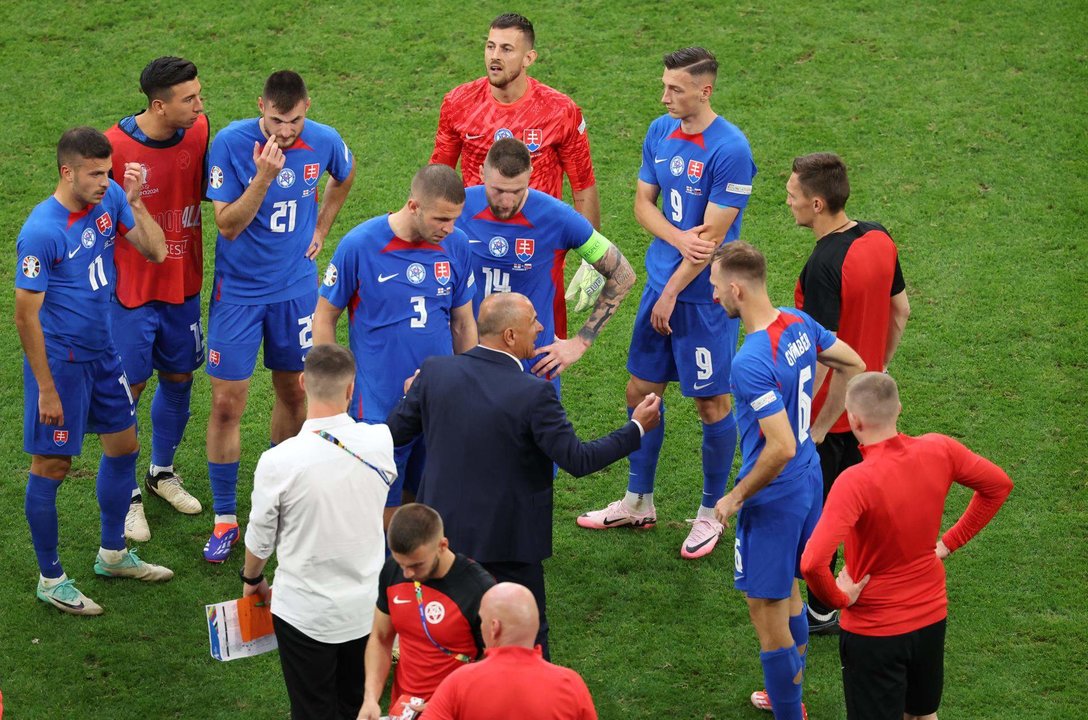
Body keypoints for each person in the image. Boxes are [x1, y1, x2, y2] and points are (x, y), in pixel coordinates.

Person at [386, 292, 661, 658]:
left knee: (450, 640)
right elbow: (578, 460)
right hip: (510, 546)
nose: (542, 327)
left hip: (446, 540)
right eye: (533, 320)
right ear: (511, 336)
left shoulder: (435, 373)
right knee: (526, 642)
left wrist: (412, 396)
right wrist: (636, 429)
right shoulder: (534, 394)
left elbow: (393, 433)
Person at [577, 47, 756, 561]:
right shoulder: (660, 130)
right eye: (664, 86)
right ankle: (639, 500)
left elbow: (714, 238)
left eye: (675, 88)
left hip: (704, 300)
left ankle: (709, 513)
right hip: (662, 286)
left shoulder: (731, 148)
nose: (664, 96)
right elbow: (642, 205)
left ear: (705, 90)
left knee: (710, 403)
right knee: (641, 391)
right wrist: (678, 244)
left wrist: (676, 287)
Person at [15, 127, 174, 616]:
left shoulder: (110, 204)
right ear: (68, 172)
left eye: (107, 172)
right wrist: (45, 387)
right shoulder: (42, 231)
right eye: (95, 174)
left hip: (105, 354)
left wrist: (137, 203)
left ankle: (113, 554)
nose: (105, 181)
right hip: (61, 366)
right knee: (53, 466)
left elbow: (157, 252)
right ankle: (51, 578)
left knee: (125, 446)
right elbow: (24, 314)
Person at [707, 242, 865, 720]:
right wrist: (816, 427)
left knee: (766, 610)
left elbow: (778, 447)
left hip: (774, 496)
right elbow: (854, 362)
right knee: (791, 590)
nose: (714, 298)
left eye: (716, 288)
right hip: (808, 482)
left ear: (736, 288)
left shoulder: (749, 361)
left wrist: (734, 497)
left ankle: (789, 711)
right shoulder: (796, 321)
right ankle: (786, 696)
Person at [203, 70, 356, 563]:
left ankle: (274, 497)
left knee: (294, 391)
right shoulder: (231, 143)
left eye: (292, 122)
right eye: (274, 120)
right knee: (228, 403)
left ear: (306, 108)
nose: (284, 132)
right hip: (240, 295)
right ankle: (226, 516)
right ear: (260, 107)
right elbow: (226, 226)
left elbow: (345, 173)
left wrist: (322, 227)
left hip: (295, 292)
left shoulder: (325, 140)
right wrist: (264, 176)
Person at [800, 373, 1011, 720]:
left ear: (853, 419)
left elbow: (812, 563)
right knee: (923, 715)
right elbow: (998, 486)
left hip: (874, 631)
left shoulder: (854, 481)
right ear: (898, 408)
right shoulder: (940, 449)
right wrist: (947, 544)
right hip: (930, 617)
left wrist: (840, 598)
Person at [787, 152, 912, 633]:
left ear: (818, 203)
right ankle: (874, 579)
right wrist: (878, 368)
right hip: (868, 405)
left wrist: (813, 427)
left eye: (794, 197)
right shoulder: (879, 235)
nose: (789, 203)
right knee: (868, 503)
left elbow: (827, 357)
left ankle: (821, 609)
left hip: (834, 416)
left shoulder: (823, 264)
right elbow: (900, 311)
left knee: (826, 514)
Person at [314, 164, 477, 520]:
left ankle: (416, 574)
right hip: (376, 405)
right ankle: (384, 573)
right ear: (414, 206)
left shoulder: (457, 245)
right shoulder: (360, 244)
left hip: (439, 399)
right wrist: (332, 389)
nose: (449, 229)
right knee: (378, 505)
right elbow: (324, 318)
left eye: (454, 219)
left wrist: (472, 385)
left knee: (428, 501)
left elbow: (463, 322)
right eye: (441, 219)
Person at [241, 344, 394, 720]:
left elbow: (261, 535)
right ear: (350, 389)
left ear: (302, 382)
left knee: (312, 711)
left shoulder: (278, 461)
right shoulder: (380, 442)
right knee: (358, 705)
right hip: (365, 610)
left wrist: (252, 578)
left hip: (304, 614)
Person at [105, 56, 209, 542]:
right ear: (158, 105)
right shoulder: (113, 147)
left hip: (183, 285)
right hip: (130, 293)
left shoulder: (200, 131)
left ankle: (161, 472)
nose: (199, 106)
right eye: (189, 99)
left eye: (199, 96)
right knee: (130, 388)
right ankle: (126, 493)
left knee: (180, 376)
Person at [455, 138, 635, 380]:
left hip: (533, 367)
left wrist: (581, 342)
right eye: (498, 190)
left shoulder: (558, 217)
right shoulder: (457, 208)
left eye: (516, 191)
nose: (507, 202)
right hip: (469, 360)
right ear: (481, 174)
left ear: (531, 174)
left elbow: (623, 274)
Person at [431, 12, 599, 227]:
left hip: (537, 237)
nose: (495, 56)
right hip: (477, 236)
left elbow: (582, 183)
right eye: (491, 46)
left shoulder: (560, 111)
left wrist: (589, 257)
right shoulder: (459, 103)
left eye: (506, 49)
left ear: (529, 58)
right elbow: (438, 175)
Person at [358, 504, 495, 720]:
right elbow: (381, 637)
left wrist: (446, 704)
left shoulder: (479, 589)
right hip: (404, 709)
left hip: (456, 712)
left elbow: (494, 666)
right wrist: (370, 698)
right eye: (401, 564)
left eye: (416, 565)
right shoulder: (394, 570)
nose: (407, 573)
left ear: (442, 545)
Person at [424, 582, 598, 720]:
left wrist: (442, 706)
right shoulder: (570, 685)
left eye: (482, 621)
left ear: (494, 628)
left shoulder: (459, 683)